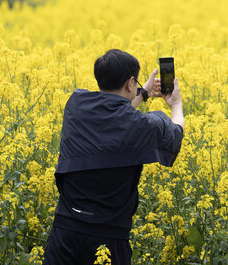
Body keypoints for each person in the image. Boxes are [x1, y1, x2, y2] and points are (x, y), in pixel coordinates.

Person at [43, 49, 184, 264]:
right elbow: (174, 133)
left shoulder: (75, 105)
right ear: (130, 83)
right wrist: (176, 104)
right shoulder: (139, 126)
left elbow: (114, 117)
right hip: (108, 239)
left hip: (65, 232)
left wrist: (143, 93)